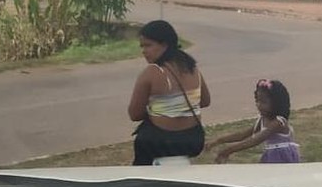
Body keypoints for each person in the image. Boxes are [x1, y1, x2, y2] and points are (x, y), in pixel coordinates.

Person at [128, 20, 211, 166]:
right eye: (142, 46)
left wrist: (158, 111)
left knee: (140, 166)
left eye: (148, 45)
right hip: (193, 140)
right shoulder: (192, 68)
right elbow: (205, 101)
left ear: (164, 45)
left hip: (159, 142)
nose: (144, 51)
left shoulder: (152, 72)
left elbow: (134, 115)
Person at [208, 79, 300, 163]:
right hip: (271, 155)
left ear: (277, 103)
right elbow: (242, 135)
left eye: (263, 102)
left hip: (282, 157)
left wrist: (227, 151)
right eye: (257, 101)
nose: (259, 105)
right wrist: (219, 140)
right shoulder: (262, 120)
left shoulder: (278, 122)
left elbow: (255, 140)